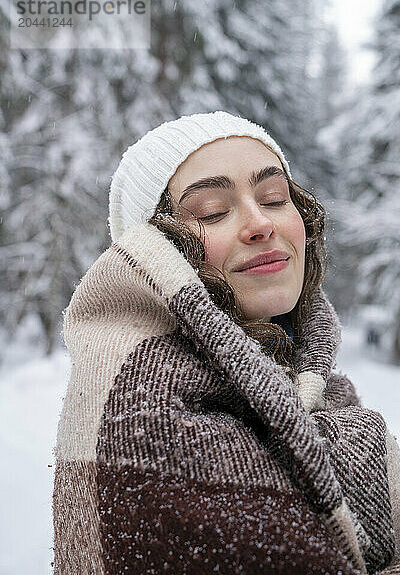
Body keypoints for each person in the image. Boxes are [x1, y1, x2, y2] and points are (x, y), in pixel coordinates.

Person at [52, 110, 400, 574]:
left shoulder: (310, 383)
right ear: (158, 253)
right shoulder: (148, 411)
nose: (260, 223)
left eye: (275, 198)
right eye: (212, 212)